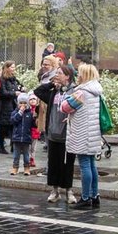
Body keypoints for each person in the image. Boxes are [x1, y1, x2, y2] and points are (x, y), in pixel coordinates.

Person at [62, 63, 105, 210]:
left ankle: (86, 197)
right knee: (92, 164)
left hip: (82, 133)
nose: (77, 75)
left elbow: (65, 107)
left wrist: (65, 100)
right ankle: (95, 195)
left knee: (85, 165)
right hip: (92, 133)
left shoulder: (81, 92)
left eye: (79, 73)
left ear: (84, 75)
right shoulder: (96, 91)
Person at [34, 66, 77, 205]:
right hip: (53, 133)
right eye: (56, 73)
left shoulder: (74, 91)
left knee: (67, 164)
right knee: (53, 163)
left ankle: (69, 191)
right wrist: (52, 84)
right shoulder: (53, 92)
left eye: (60, 73)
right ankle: (55, 191)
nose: (57, 75)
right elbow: (38, 91)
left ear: (68, 76)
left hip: (67, 134)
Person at [0, 62, 22, 154]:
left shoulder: (13, 79)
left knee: (13, 125)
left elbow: (17, 87)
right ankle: (2, 146)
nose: (13, 69)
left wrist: (20, 89)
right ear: (7, 68)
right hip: (5, 105)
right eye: (12, 67)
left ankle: (13, 146)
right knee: (4, 126)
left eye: (14, 67)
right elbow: (2, 93)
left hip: (13, 104)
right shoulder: (3, 79)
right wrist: (14, 93)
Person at [9, 93, 36, 176]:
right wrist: (20, 112)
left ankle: (27, 168)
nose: (23, 105)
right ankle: (15, 167)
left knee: (26, 155)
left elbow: (33, 125)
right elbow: (13, 121)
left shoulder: (30, 113)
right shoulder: (15, 112)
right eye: (21, 103)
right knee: (16, 155)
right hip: (16, 137)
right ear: (18, 103)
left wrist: (36, 118)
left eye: (25, 103)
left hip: (26, 138)